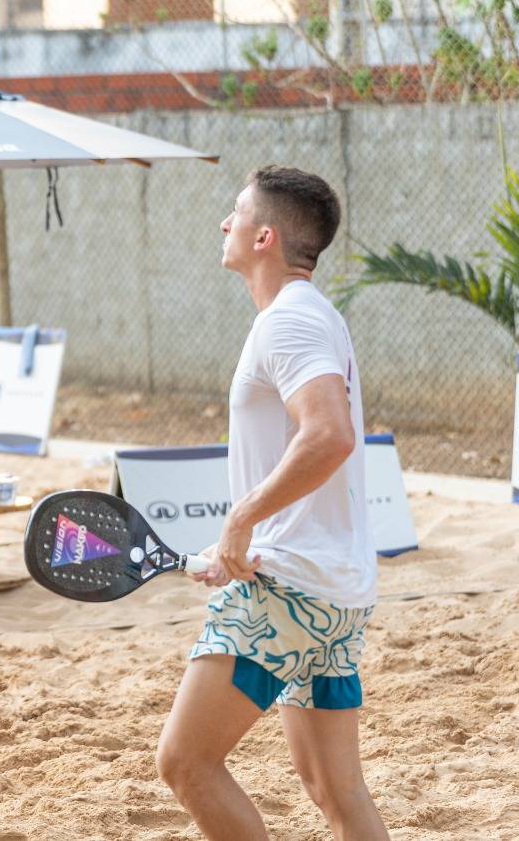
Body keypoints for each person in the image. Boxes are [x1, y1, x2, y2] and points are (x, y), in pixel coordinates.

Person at [156, 166, 390, 840]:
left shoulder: (287, 322)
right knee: (334, 790)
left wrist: (241, 519)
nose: (223, 224)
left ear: (266, 236)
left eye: (235, 213)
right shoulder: (311, 316)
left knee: (186, 762)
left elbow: (330, 435)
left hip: (288, 588)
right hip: (335, 591)